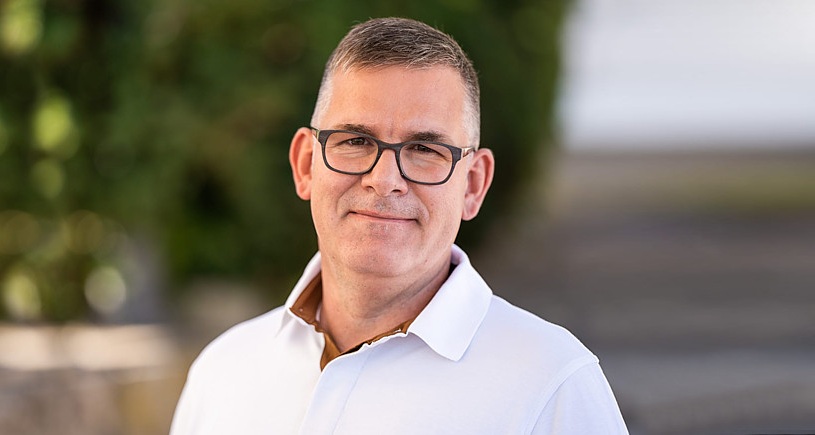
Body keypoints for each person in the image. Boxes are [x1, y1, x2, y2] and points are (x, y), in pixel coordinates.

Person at [171, 17, 628, 434]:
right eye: (355, 140)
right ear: (306, 164)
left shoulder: (552, 386)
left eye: (425, 150)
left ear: (473, 185)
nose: (384, 180)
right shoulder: (223, 371)